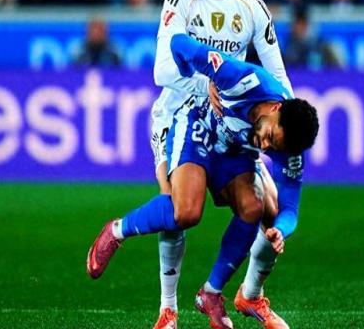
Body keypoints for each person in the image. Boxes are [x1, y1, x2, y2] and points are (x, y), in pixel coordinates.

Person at [87, 34, 319, 329]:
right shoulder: (241, 78)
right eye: (269, 137)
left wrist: (280, 231)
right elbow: (179, 44)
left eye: (273, 147)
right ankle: (117, 230)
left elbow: (290, 209)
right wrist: (201, 81)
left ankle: (211, 293)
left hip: (234, 150)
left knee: (254, 207)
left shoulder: (290, 147)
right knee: (186, 212)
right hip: (197, 126)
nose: (266, 146)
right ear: (276, 108)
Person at [149, 0, 293, 329]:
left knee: (270, 208)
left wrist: (290, 120)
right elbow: (162, 70)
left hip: (229, 124)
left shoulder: (251, 5)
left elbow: (279, 75)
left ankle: (250, 295)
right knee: (177, 208)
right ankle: (168, 308)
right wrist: (206, 82)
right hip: (178, 113)